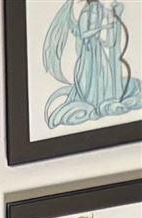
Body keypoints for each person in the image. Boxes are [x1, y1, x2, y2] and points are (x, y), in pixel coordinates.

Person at [45, 0, 142, 130]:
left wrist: (113, 22)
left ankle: (103, 101)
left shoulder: (97, 11)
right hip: (89, 52)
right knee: (92, 78)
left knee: (105, 75)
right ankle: (94, 102)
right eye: (97, 6)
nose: (99, 9)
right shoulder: (85, 15)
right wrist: (102, 28)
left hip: (97, 49)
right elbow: (84, 34)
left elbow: (108, 39)